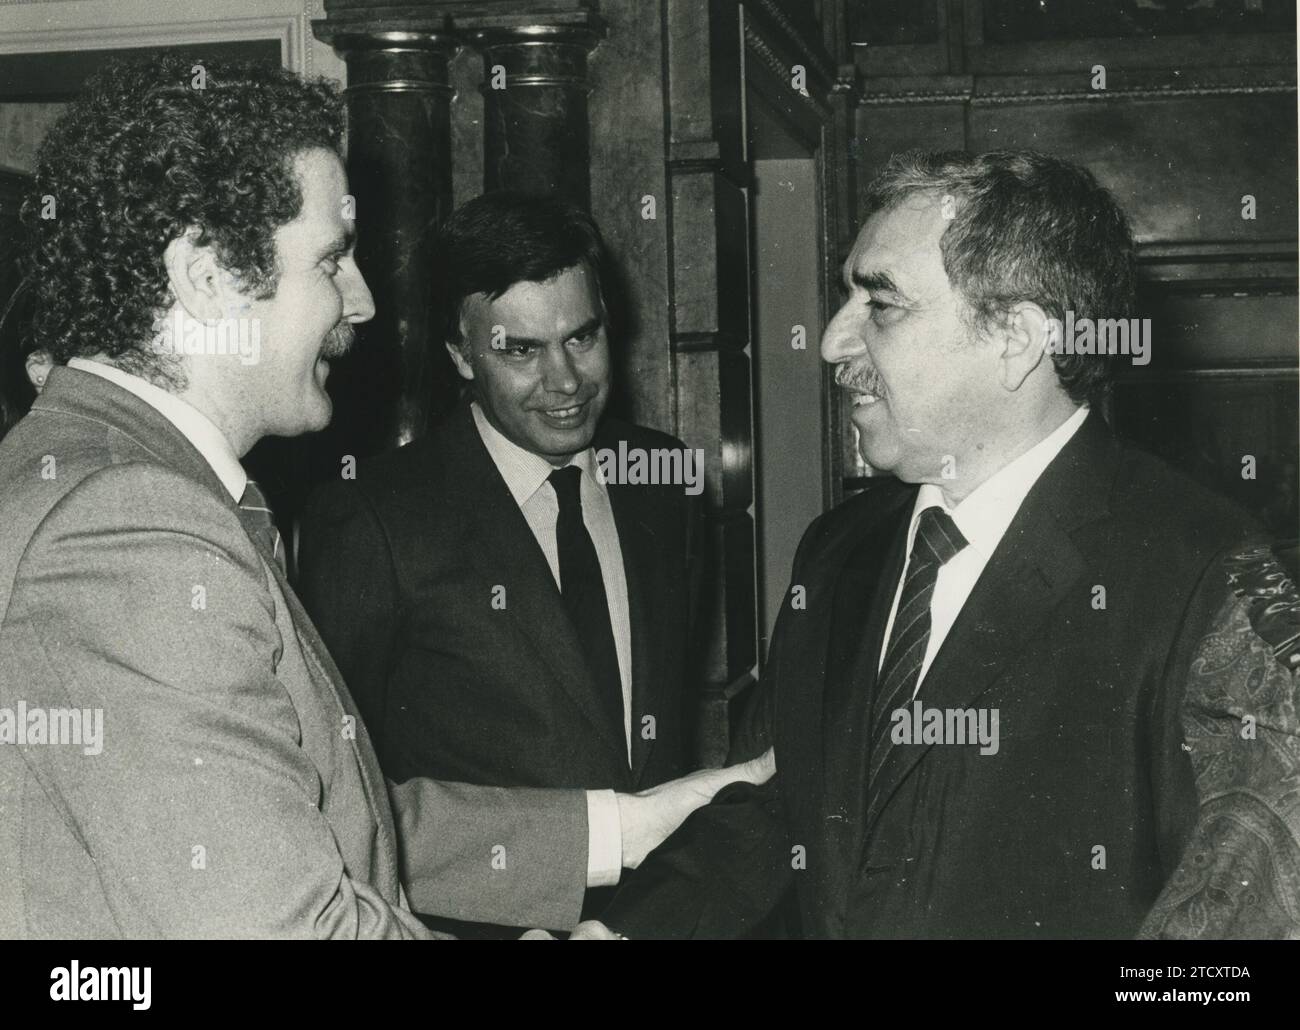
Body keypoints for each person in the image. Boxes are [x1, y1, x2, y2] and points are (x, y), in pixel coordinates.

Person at [0, 54, 768, 939]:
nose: (361, 302)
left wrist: (632, 824)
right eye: (332, 260)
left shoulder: (109, 482)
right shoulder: (127, 530)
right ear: (206, 278)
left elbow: (329, 810)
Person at [579, 149, 1260, 939]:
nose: (833, 343)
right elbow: (782, 807)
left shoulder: (1202, 572)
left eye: (881, 303)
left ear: (1017, 337)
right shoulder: (839, 550)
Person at [297, 191, 771, 937]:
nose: (565, 381)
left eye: (581, 338)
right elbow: (338, 789)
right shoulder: (371, 520)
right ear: (460, 353)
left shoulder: (666, 480)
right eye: (520, 350)